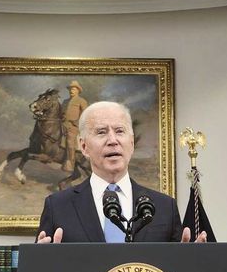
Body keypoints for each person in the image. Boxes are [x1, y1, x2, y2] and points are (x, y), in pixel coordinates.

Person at [36, 101, 207, 244]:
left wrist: (188, 260)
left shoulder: (164, 207)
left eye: (119, 131)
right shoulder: (58, 207)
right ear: (83, 146)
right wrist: (43, 261)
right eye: (101, 132)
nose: (113, 140)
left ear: (131, 143)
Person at [61, 81, 89, 172]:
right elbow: (61, 113)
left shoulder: (81, 101)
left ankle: (70, 164)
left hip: (74, 126)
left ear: (78, 91)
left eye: (73, 89)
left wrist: (76, 122)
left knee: (70, 141)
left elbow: (85, 113)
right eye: (70, 89)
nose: (71, 90)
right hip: (63, 124)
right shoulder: (65, 101)